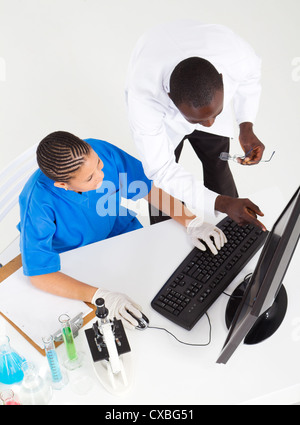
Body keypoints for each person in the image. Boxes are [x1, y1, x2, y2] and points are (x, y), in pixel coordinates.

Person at [18, 131, 227, 329]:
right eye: (90, 178)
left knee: (165, 279)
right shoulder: (36, 202)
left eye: (98, 164)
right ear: (63, 185)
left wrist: (192, 222)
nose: (101, 175)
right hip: (79, 258)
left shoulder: (101, 149)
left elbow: (148, 188)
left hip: (121, 232)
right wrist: (102, 297)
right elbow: (39, 274)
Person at [125, 19, 266, 229]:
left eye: (215, 114)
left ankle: (235, 230)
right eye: (198, 120)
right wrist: (221, 202)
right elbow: (162, 169)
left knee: (218, 163)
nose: (208, 125)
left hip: (203, 86)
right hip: (166, 121)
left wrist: (246, 125)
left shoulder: (235, 55)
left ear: (221, 79)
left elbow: (251, 79)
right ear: (170, 98)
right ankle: (166, 237)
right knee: (163, 187)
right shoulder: (144, 97)